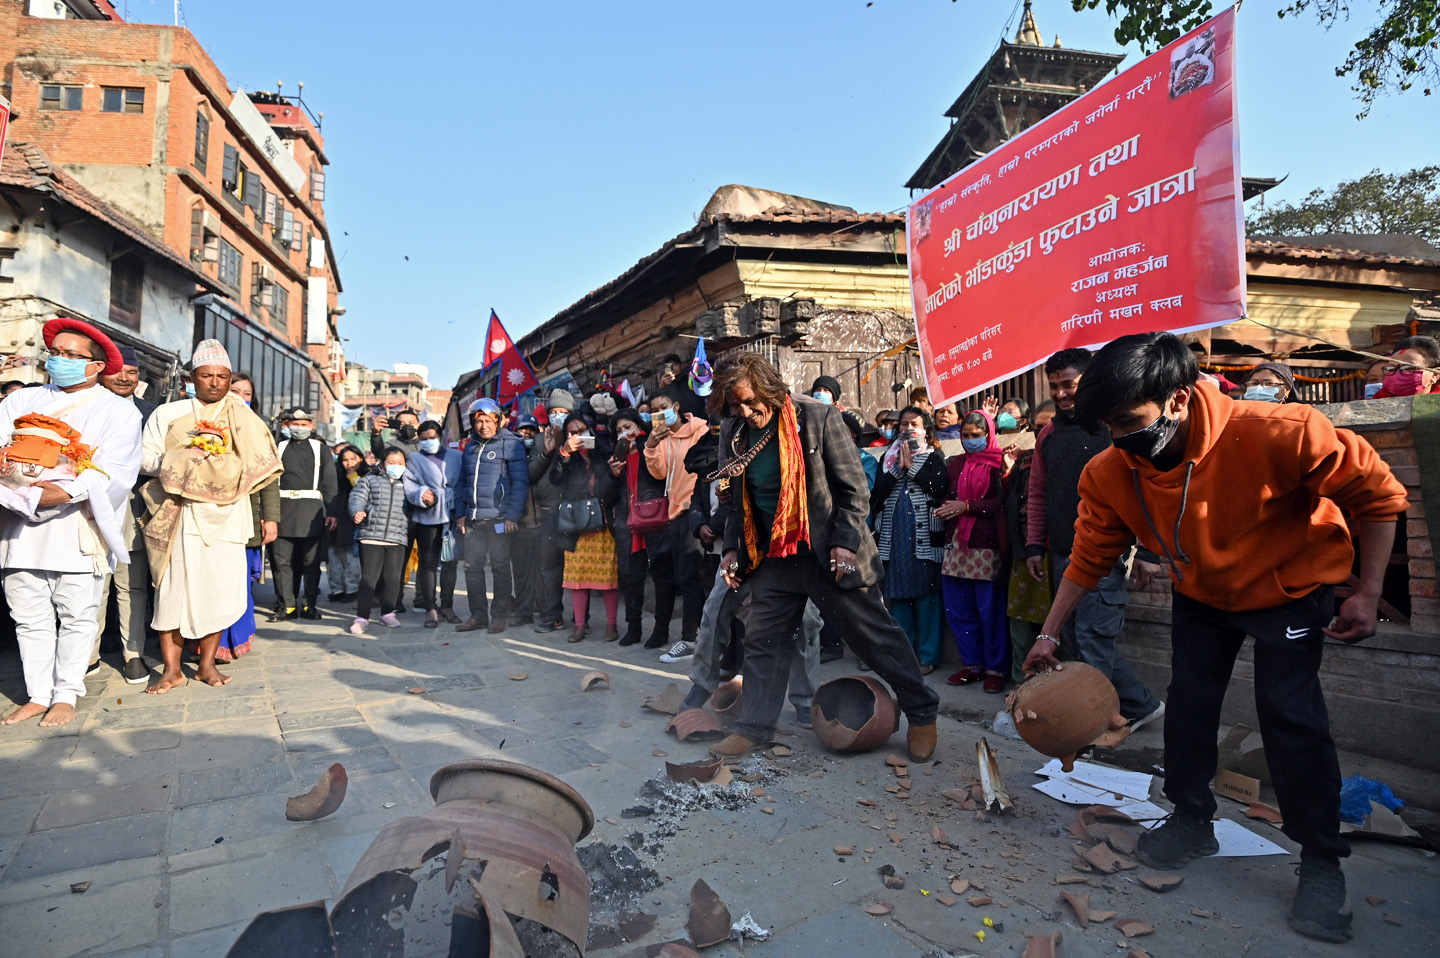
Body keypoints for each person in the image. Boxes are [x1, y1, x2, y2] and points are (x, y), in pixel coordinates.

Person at [1023, 332, 1408, 944]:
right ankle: (1192, 816)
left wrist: (1366, 589)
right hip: (1201, 592)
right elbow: (1090, 555)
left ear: (1176, 400)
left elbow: (1378, 493)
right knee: (1191, 703)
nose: (1120, 441)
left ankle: (1320, 858)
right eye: (1108, 427)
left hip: (1289, 588)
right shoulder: (1112, 470)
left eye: (1129, 422)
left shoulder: (1280, 431)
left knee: (1289, 714)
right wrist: (1048, 633)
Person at [707, 353, 940, 762]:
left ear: (769, 389)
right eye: (734, 405)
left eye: (749, 401)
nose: (744, 411)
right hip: (775, 556)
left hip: (829, 550)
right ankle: (755, 728)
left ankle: (921, 712)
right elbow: (737, 503)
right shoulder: (734, 430)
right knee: (763, 642)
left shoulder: (818, 417)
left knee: (874, 635)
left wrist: (845, 544)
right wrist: (731, 550)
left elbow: (854, 490)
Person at [0, 318, 141, 726]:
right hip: (17, 525)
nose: (59, 361)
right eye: (55, 353)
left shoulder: (117, 410)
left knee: (78, 614)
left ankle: (66, 693)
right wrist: (16, 488)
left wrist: (61, 492)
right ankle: (37, 693)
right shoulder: (20, 401)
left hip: (77, 525)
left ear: (97, 366)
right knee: (28, 616)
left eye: (72, 355)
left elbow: (115, 470)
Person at [1025, 347, 1164, 730]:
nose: (1060, 393)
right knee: (1073, 638)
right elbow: (1038, 493)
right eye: (1053, 386)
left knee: (1093, 639)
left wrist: (1150, 550)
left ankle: (1093, 726)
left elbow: (1149, 489)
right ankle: (1141, 705)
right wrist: (1035, 544)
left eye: (1068, 384)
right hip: (1062, 554)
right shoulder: (1049, 434)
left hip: (1106, 555)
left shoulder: (1114, 427)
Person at [141, 339, 281, 694]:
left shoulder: (243, 417)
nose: (215, 383)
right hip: (180, 514)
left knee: (219, 592)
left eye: (222, 376)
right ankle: (171, 670)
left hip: (228, 517)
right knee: (172, 593)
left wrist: (222, 468)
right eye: (207, 375)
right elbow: (144, 460)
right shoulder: (167, 414)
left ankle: (206, 666)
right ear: (192, 377)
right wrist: (182, 462)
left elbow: (258, 465)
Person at [94, 343, 158, 684]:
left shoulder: (152, 413)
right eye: (117, 370)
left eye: (132, 372)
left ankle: (133, 654)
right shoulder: (86, 407)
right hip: (86, 512)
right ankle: (86, 655)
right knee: (92, 585)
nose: (124, 377)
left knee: (131, 587)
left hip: (131, 514)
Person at [936, 410, 1010, 692]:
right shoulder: (956, 464)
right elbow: (951, 495)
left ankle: (996, 668)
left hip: (985, 546)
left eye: (976, 436)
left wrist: (967, 507)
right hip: (956, 545)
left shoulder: (998, 464)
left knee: (989, 611)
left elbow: (1000, 504)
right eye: (965, 435)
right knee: (958, 608)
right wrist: (946, 507)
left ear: (989, 435)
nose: (970, 441)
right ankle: (972, 664)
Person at [870, 407, 946, 675]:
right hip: (895, 539)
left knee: (927, 597)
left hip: (924, 540)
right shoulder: (886, 459)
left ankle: (927, 656)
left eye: (914, 423)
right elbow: (876, 494)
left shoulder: (934, 457)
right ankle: (904, 656)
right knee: (898, 598)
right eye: (903, 424)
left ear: (926, 429)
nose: (908, 428)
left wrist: (911, 468)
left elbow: (940, 488)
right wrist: (895, 470)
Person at [641, 388, 708, 652]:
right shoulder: (662, 439)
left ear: (676, 405)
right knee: (685, 577)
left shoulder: (701, 430)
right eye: (654, 410)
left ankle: (692, 639)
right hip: (677, 514)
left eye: (664, 406)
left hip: (698, 511)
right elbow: (658, 473)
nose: (660, 413)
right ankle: (694, 637)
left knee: (696, 577)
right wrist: (650, 444)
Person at [454, 398, 528, 633]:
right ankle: (478, 616)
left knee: (499, 566)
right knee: (472, 568)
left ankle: (499, 615)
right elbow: (462, 483)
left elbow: (520, 484)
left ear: (497, 421)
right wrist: (461, 513)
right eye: (479, 421)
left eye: (488, 421)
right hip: (474, 520)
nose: (483, 426)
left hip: (499, 520)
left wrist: (512, 517)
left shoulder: (511, 445)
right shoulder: (470, 448)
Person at [552, 415, 621, 641]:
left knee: (608, 579)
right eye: (571, 433)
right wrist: (564, 452)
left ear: (589, 430)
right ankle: (579, 626)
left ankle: (612, 626)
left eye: (581, 430)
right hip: (577, 526)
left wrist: (612, 473)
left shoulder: (604, 453)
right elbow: (555, 479)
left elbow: (613, 487)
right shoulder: (566, 457)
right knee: (577, 579)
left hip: (604, 524)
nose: (577, 436)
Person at [268, 407, 338, 621]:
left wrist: (331, 511)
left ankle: (309, 605)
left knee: (311, 564)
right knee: (281, 564)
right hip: (281, 509)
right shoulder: (276, 447)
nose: (299, 428)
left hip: (311, 513)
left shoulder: (320, 449)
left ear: (311, 426)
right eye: (294, 424)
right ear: (285, 425)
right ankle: (286, 605)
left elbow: (329, 482)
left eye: (304, 424)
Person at [608, 408, 667, 646]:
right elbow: (606, 495)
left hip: (654, 521)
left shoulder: (649, 448)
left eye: (628, 427)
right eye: (619, 430)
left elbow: (660, 477)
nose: (624, 433)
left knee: (662, 577)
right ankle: (633, 629)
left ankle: (661, 630)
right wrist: (613, 475)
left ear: (638, 426)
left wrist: (644, 448)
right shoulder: (616, 458)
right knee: (633, 580)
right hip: (629, 526)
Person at [348, 448, 411, 632]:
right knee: (369, 579)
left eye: (401, 463)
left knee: (393, 579)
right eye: (392, 462)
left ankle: (388, 613)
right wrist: (357, 512)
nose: (396, 467)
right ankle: (362, 617)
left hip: (397, 537)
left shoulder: (408, 483)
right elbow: (357, 497)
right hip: (371, 537)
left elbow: (416, 501)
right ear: (382, 463)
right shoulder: (370, 480)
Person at [532, 389, 575, 633]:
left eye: (563, 412)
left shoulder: (579, 437)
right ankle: (552, 616)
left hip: (575, 512)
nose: (557, 416)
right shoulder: (539, 441)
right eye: (553, 412)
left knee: (580, 568)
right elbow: (530, 474)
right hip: (549, 511)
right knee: (549, 567)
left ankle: (582, 620)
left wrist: (568, 448)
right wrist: (546, 453)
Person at [404, 420, 453, 628]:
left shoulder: (455, 456)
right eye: (423, 439)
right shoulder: (414, 458)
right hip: (427, 516)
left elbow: (463, 483)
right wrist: (422, 494)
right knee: (428, 562)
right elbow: (409, 484)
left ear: (440, 436)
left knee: (451, 561)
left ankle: (447, 605)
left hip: (451, 515)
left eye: (432, 438)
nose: (428, 442)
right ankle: (430, 606)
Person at [509, 414, 544, 625]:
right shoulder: (512, 457)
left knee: (543, 573)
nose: (527, 433)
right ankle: (523, 612)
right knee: (521, 573)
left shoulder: (543, 455)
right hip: (520, 525)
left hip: (542, 523)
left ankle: (544, 610)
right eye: (522, 429)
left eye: (531, 429)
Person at [328, 444, 366, 601]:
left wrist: (353, 476)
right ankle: (337, 589)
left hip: (352, 522)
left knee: (351, 557)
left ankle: (352, 589)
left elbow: (364, 491)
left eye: (353, 459)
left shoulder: (367, 474)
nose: (349, 463)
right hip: (335, 520)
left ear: (361, 459)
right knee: (334, 557)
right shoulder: (334, 475)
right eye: (345, 460)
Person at [1367, 336, 1440, 398]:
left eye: (1408, 368)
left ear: (1435, 375)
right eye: (1391, 369)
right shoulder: (1368, 408)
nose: (1397, 375)